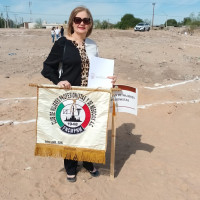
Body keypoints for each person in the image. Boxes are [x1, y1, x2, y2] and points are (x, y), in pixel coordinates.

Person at [41, 6, 116, 182]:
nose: (82, 23)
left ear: (90, 24)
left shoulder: (93, 44)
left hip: (90, 96)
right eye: (78, 20)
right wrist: (58, 81)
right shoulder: (62, 43)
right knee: (71, 131)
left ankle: (89, 162)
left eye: (86, 20)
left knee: (89, 130)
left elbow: (96, 70)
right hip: (69, 96)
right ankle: (71, 166)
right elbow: (47, 68)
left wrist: (109, 79)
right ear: (72, 22)